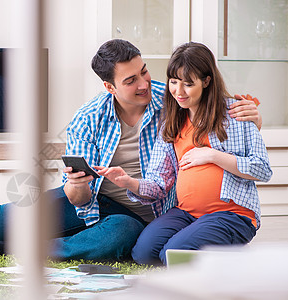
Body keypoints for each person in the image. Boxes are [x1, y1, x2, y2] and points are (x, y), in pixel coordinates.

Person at [0, 39, 262, 261]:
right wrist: (77, 184)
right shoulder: (88, 118)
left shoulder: (172, 100)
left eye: (144, 71)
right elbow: (77, 199)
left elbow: (211, 101)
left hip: (142, 213)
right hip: (94, 200)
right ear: (110, 87)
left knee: (118, 234)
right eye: (130, 81)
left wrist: (255, 119)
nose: (143, 84)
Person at [95, 42, 272, 265]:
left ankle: (223, 255)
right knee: (143, 253)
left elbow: (262, 169)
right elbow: (159, 184)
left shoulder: (236, 113)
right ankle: (208, 248)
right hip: (187, 212)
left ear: (206, 81)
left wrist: (212, 155)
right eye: (174, 82)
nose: (179, 91)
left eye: (188, 84)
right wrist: (128, 182)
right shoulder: (171, 122)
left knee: (173, 253)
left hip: (232, 213)